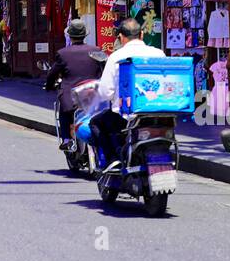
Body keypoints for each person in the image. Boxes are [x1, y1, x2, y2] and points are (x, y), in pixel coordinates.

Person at [91, 18, 170, 171]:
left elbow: (105, 92)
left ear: (120, 37)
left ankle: (113, 161)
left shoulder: (116, 56)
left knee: (96, 123)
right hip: (159, 113)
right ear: (142, 34)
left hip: (126, 116)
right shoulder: (158, 53)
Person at [45, 19, 107, 145]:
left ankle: (66, 139)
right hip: (93, 95)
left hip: (71, 98)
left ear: (70, 35)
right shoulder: (96, 50)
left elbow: (52, 73)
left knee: (64, 112)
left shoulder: (63, 53)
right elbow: (105, 69)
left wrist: (49, 85)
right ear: (85, 35)